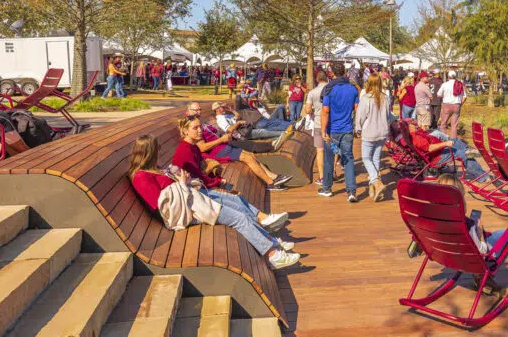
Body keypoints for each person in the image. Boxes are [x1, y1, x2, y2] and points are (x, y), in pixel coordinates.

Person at [128, 134, 298, 270]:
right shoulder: (141, 177)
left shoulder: (152, 170)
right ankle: (273, 255)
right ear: (149, 153)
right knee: (239, 219)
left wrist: (182, 182)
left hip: (194, 200)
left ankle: (268, 239)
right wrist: (181, 184)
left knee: (236, 201)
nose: (159, 151)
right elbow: (160, 206)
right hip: (188, 211)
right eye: (157, 148)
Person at [183, 102, 291, 189]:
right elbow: (202, 147)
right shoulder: (191, 125)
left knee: (250, 154)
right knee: (247, 157)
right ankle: (271, 183)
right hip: (215, 151)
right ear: (188, 111)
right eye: (196, 110)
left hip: (221, 145)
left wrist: (223, 138)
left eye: (200, 109)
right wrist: (221, 139)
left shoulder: (197, 122)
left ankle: (273, 177)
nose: (199, 112)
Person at [318, 61, 360, 202]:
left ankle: (327, 188)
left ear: (332, 73)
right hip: (347, 128)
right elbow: (356, 109)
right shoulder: (353, 89)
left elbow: (325, 111)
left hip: (332, 130)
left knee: (329, 159)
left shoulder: (329, 89)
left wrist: (323, 131)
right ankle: (351, 191)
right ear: (345, 72)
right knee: (348, 159)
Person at [356, 73, 392, 202]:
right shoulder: (386, 98)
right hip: (382, 131)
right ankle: (374, 187)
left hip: (369, 132)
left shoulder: (366, 98)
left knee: (366, 158)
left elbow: (360, 116)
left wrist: (358, 129)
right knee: (375, 158)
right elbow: (388, 115)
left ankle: (376, 182)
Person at [405, 121, 483, 178]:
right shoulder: (416, 138)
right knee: (463, 154)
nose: (416, 124)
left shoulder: (415, 134)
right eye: (413, 124)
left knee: (455, 140)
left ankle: (475, 153)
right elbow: (429, 148)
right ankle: (482, 176)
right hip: (437, 157)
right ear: (408, 127)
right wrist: (445, 143)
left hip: (439, 151)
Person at [437, 70, 465, 139]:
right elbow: (464, 97)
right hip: (457, 105)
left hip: (447, 105)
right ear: (455, 76)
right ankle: (453, 141)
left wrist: (444, 95)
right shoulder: (460, 84)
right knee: (454, 125)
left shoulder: (445, 84)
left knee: (443, 124)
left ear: (448, 76)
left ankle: (443, 140)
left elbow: (438, 94)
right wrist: (460, 104)